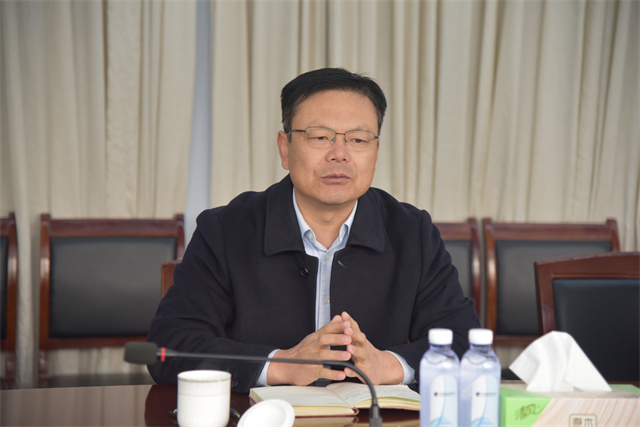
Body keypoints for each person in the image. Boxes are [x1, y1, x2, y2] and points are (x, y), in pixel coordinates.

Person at [147, 67, 480, 393]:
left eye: (358, 139)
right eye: (320, 137)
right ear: (284, 148)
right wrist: (283, 365)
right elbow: (170, 346)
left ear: (376, 151)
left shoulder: (411, 233)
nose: (339, 155)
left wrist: (388, 365)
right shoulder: (226, 230)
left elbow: (464, 341)